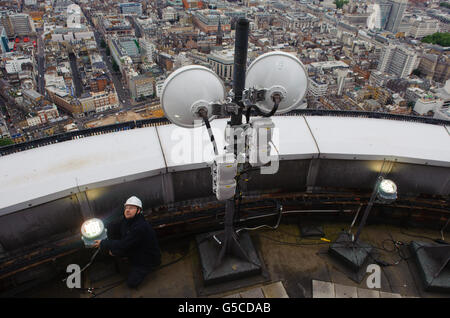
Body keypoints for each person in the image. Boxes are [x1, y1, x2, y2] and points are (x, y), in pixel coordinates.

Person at [93, 196, 161, 289]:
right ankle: (123, 257)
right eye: (126, 207)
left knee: (132, 283)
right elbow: (115, 226)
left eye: (131, 208)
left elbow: (124, 244)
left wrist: (104, 243)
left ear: (138, 211)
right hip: (135, 247)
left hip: (146, 258)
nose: (127, 210)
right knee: (113, 230)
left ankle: (146, 268)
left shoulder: (140, 227)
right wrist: (100, 227)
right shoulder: (128, 220)